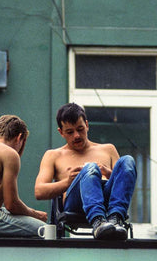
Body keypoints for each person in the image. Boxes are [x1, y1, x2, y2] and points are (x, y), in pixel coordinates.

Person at [34, 103, 137, 240]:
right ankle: (98, 222)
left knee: (128, 160)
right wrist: (67, 182)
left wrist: (108, 173)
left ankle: (115, 219)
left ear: (87, 125)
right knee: (90, 168)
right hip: (76, 203)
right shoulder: (53, 155)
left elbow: (123, 184)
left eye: (80, 129)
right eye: (70, 132)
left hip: (108, 202)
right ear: (61, 132)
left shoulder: (108, 149)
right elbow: (39, 191)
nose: (76, 135)